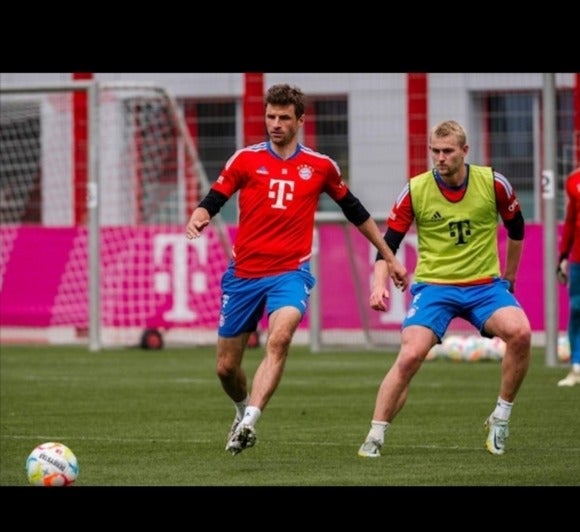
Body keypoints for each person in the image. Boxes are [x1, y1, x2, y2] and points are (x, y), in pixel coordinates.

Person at [186, 83, 409, 456]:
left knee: (280, 338)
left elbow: (356, 212)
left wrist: (389, 256)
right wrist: (200, 214)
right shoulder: (244, 159)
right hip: (243, 276)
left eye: (283, 117)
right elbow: (215, 197)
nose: (275, 123)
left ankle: (250, 422)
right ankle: (241, 409)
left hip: (290, 273)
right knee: (226, 368)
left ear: (300, 121)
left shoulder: (320, 166)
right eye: (270, 116)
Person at [358, 119, 532, 458]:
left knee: (521, 333)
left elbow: (517, 229)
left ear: (465, 152)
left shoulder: (494, 183)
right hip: (435, 287)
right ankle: (375, 435)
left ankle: (501, 417)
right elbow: (387, 244)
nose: (440, 158)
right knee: (410, 355)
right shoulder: (416, 189)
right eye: (435, 151)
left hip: (484, 287)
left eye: (448, 151)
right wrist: (379, 285)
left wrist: (509, 277)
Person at [556, 166, 580, 387]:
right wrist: (563, 256)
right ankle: (576, 367)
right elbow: (571, 221)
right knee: (576, 309)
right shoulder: (574, 181)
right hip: (578, 260)